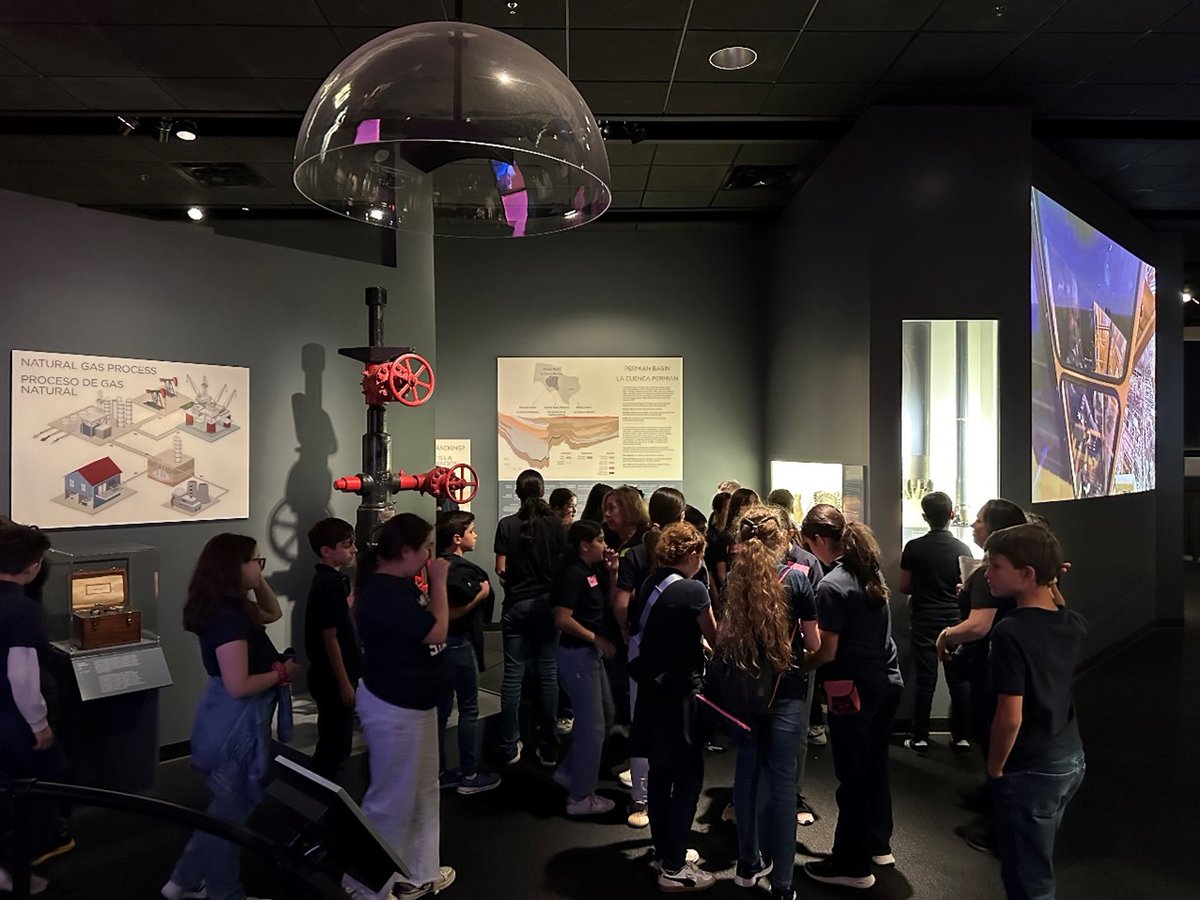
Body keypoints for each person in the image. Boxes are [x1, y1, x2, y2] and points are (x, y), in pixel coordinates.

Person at [163, 533, 297, 900]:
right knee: (230, 815)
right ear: (233, 568)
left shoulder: (232, 607)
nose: (260, 566)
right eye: (256, 560)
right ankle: (224, 893)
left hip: (227, 717)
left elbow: (273, 612)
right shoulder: (227, 618)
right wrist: (282, 673)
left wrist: (254, 577)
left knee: (226, 808)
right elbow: (239, 684)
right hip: (237, 723)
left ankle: (183, 880)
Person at [721, 504, 820, 900]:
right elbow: (813, 643)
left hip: (743, 693)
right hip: (786, 693)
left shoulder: (733, 580)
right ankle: (782, 884)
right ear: (783, 537)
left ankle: (746, 866)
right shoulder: (798, 580)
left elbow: (726, 635)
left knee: (745, 774)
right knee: (782, 785)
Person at [353, 514, 455, 898]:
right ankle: (367, 888)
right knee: (391, 799)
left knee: (425, 790)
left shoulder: (397, 587)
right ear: (407, 551)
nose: (431, 555)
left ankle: (419, 872)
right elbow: (436, 629)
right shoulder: (382, 593)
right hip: (395, 708)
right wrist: (440, 583)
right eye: (427, 547)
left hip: (417, 704)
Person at [983, 524, 1086, 900]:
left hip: (1029, 768)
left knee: (1029, 881)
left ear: (1026, 574)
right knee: (1038, 861)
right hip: (1069, 758)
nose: (987, 573)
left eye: (995, 565)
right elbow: (1054, 603)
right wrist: (1053, 577)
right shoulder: (1069, 622)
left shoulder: (1010, 633)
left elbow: (1010, 717)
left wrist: (995, 768)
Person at [802, 508, 903, 891]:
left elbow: (827, 653)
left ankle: (852, 864)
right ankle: (879, 845)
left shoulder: (832, 585)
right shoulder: (869, 571)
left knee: (853, 776)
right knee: (875, 767)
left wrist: (799, 665)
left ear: (819, 541)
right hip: (886, 681)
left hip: (851, 690)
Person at [628, 522, 718, 892]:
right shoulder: (694, 589)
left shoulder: (652, 583)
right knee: (688, 778)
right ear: (693, 554)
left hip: (653, 693)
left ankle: (665, 850)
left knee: (661, 774)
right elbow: (715, 636)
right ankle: (675, 867)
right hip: (681, 694)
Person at [935, 498, 1028, 853]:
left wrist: (946, 635)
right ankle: (993, 800)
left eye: (979, 520)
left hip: (992, 668)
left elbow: (980, 624)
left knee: (998, 741)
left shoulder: (992, 575)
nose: (972, 525)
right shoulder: (1007, 569)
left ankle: (1000, 826)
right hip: (995, 664)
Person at [615, 487, 688, 829]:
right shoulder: (685, 555)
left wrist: (626, 631)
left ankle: (641, 800)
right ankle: (672, 796)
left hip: (642, 646)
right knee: (676, 724)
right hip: (678, 650)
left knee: (641, 721)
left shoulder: (633, 553)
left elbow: (620, 602)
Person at [0, 520, 60, 896]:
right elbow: (22, 676)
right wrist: (39, 724)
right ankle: (14, 871)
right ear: (33, 566)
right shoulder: (22, 611)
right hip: (9, 722)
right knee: (25, 797)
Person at [495, 470, 566, 767]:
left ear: (517, 492)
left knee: (513, 674)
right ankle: (549, 746)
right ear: (543, 490)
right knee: (548, 673)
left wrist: (513, 585)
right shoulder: (556, 526)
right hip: (547, 607)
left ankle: (509, 745)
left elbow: (500, 568)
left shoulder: (507, 525)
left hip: (515, 606)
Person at [550, 520, 619, 816]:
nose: (605, 545)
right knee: (592, 726)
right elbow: (562, 618)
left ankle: (569, 772)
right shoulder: (573, 573)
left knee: (605, 713)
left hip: (588, 655)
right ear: (584, 544)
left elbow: (609, 601)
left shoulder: (592, 571)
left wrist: (614, 572)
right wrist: (597, 639)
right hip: (578, 655)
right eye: (600, 540)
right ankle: (580, 797)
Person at [898, 492, 973, 753]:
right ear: (952, 514)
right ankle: (962, 735)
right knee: (958, 680)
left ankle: (919, 736)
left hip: (924, 619)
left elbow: (904, 585)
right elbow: (966, 589)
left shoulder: (914, 547)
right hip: (954, 620)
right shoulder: (963, 550)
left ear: (924, 517)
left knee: (924, 679)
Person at [435, 511, 501, 795]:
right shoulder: (459, 571)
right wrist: (481, 595)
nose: (476, 535)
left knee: (440, 712)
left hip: (437, 647)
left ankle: (438, 771)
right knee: (468, 710)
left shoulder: (433, 566)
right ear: (457, 538)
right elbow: (449, 613)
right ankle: (470, 774)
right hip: (458, 644)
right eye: (472, 531)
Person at [303, 517, 360, 781]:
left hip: (329, 677)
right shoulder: (329, 584)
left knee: (332, 741)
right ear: (327, 550)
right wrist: (345, 683)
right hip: (333, 679)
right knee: (335, 747)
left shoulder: (329, 581)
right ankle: (323, 804)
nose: (354, 550)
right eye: (347, 544)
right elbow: (330, 637)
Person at [711, 487, 759, 595]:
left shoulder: (759, 535)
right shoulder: (725, 537)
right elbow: (721, 573)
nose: (752, 507)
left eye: (755, 503)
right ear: (737, 507)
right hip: (733, 591)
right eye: (747, 504)